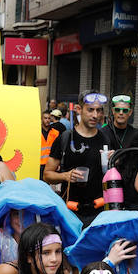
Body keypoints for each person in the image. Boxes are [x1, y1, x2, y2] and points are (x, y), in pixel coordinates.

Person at [44, 91, 114, 224]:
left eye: (99, 111)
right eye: (90, 110)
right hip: (70, 213)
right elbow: (47, 175)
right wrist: (65, 176)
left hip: (98, 214)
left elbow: (112, 177)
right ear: (79, 109)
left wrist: (114, 161)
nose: (95, 115)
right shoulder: (65, 138)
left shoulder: (106, 139)